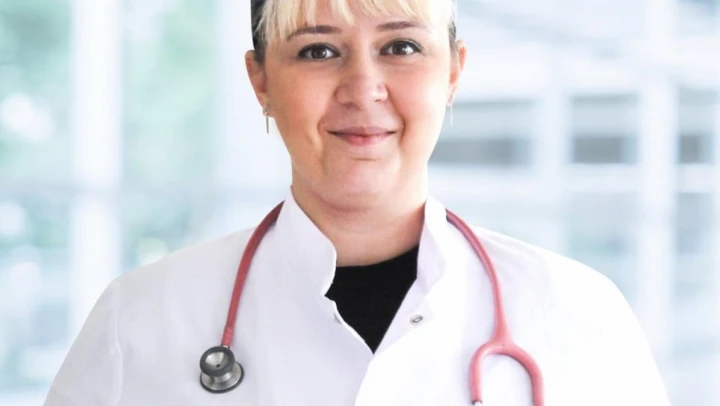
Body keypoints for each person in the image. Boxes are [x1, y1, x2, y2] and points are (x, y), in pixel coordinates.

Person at [44, 0, 671, 405]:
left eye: (401, 47)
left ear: (453, 72)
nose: (363, 88)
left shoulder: (578, 313)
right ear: (261, 81)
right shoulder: (141, 322)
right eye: (318, 50)